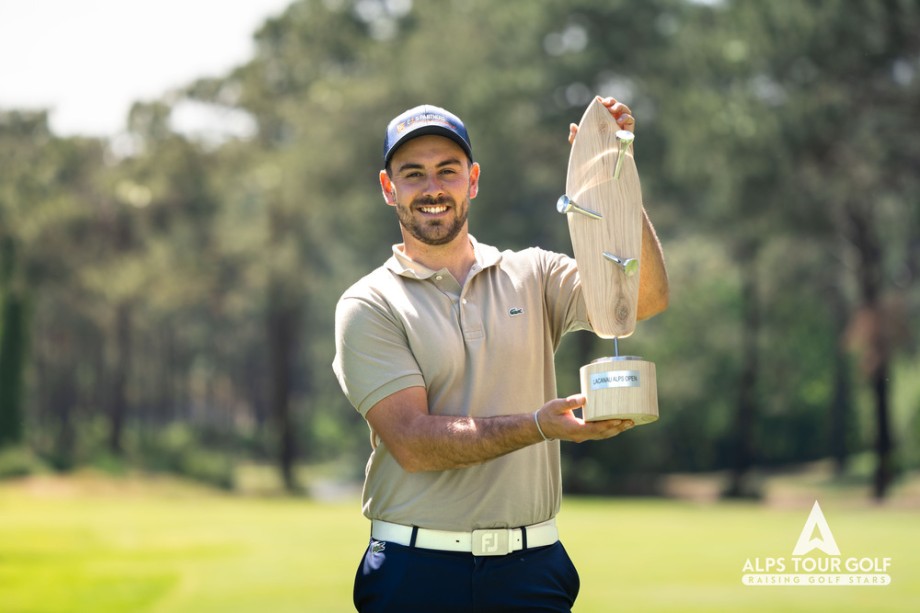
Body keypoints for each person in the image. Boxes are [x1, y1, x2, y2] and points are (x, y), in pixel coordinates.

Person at [333, 97, 668, 612]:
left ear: (473, 180)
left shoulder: (534, 273)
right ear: (388, 188)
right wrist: (538, 424)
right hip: (415, 570)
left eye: (448, 170)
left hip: (531, 569)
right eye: (413, 174)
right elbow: (413, 443)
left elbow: (645, 298)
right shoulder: (369, 303)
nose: (432, 188)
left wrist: (613, 176)